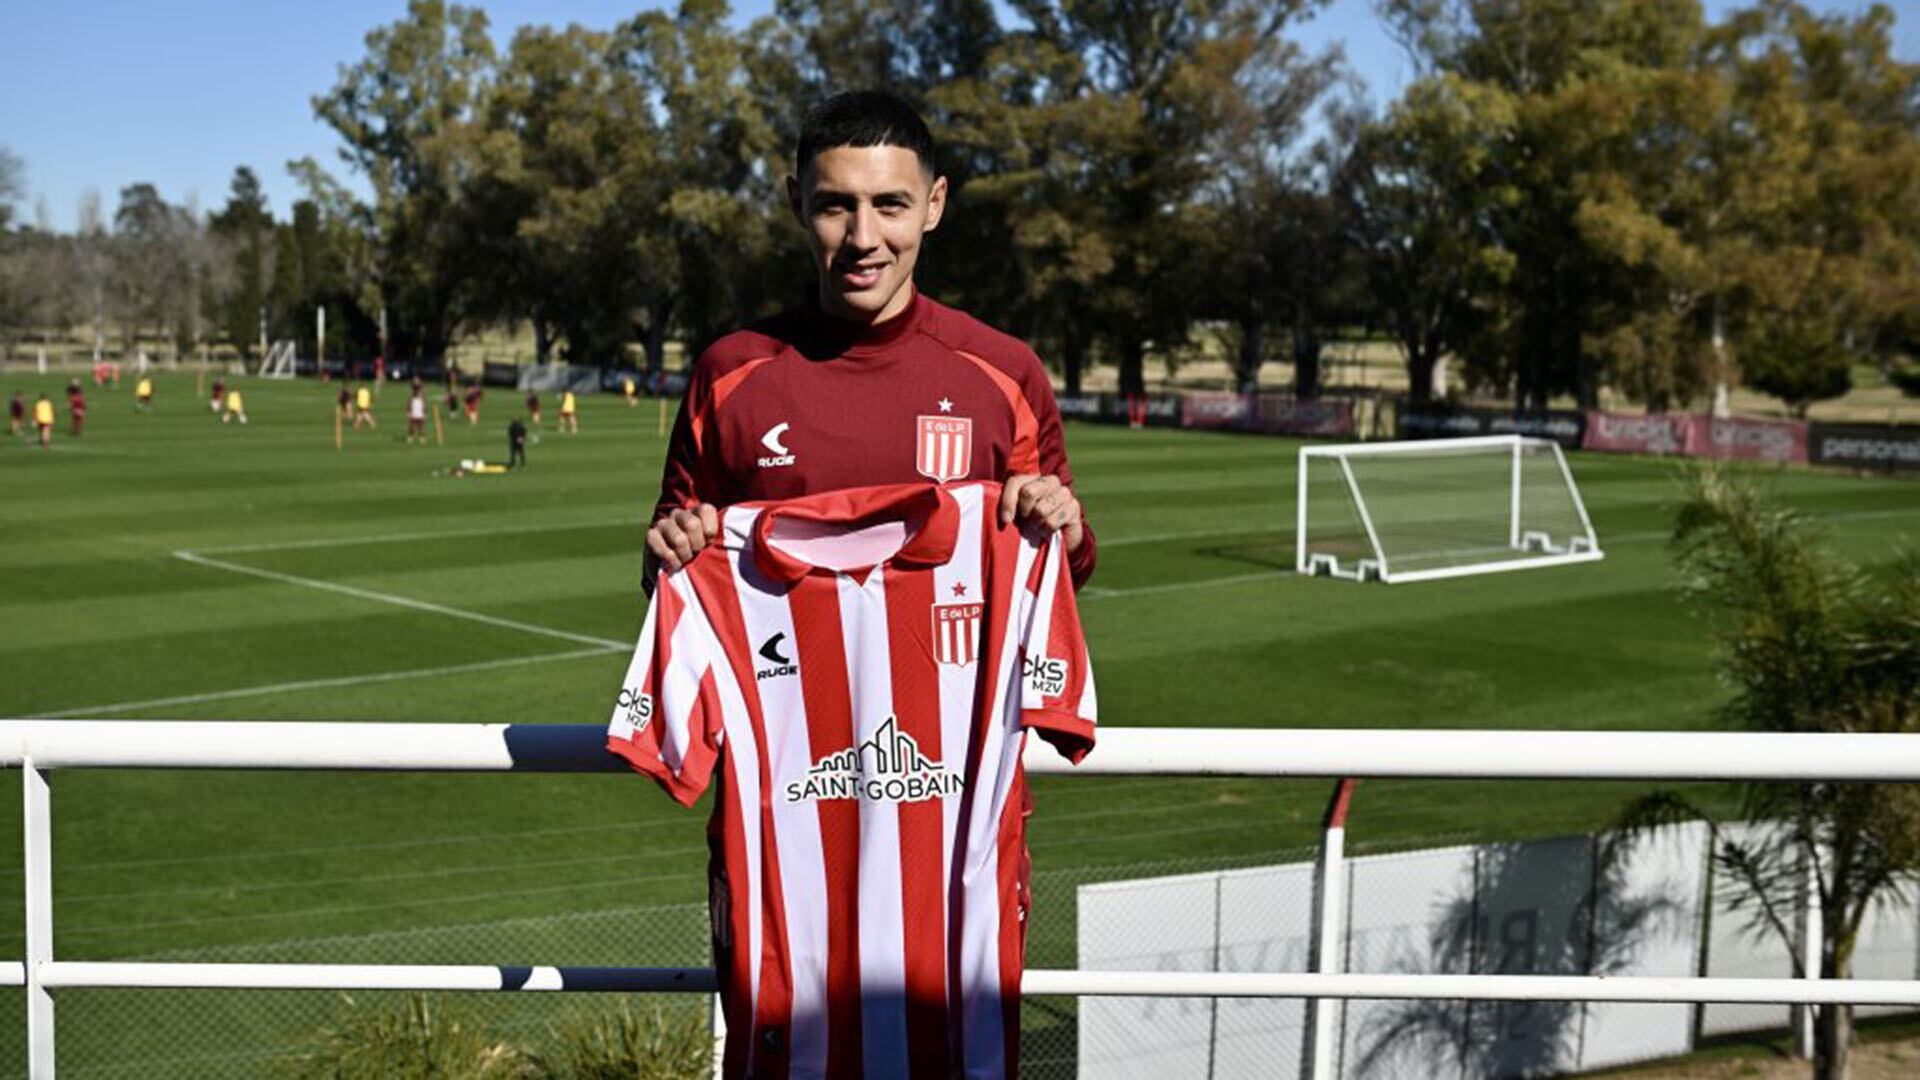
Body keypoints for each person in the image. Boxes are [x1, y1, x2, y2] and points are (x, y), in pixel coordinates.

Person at [644, 89, 1095, 592]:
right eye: (835, 206)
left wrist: (1069, 533)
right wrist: (669, 546)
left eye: (890, 205)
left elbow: (1059, 570)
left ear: (934, 204)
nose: (863, 237)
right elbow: (667, 569)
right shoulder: (727, 374)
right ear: (798, 203)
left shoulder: (1007, 373)